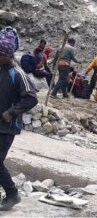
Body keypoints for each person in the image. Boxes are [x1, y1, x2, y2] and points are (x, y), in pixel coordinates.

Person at [0, 29, 38, 210]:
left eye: (0, 55)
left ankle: (12, 194)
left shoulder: (18, 73)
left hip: (7, 126)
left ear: (7, 55)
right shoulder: (1, 69)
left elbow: (31, 97)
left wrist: (12, 112)